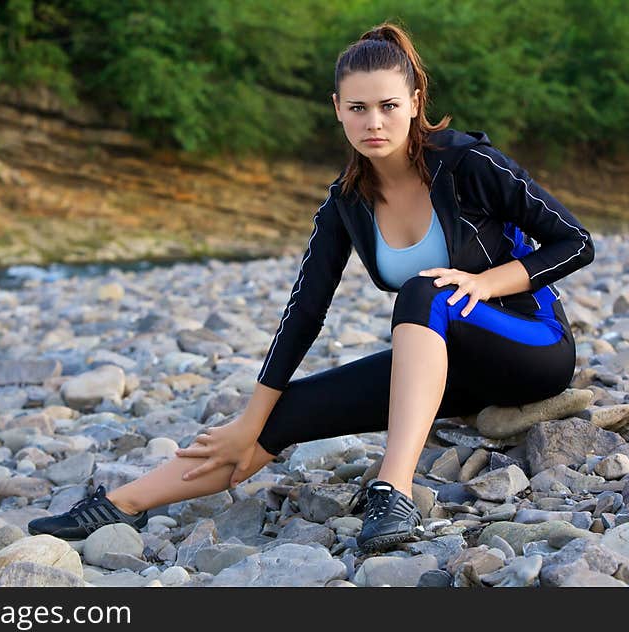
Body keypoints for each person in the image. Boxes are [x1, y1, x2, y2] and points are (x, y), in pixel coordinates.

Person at [29, 21, 595, 553]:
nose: (374, 122)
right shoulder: (346, 202)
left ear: (416, 103)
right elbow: (304, 311)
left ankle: (392, 494)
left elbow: (574, 241)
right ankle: (120, 504)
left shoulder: (471, 164)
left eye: (389, 106)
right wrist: (249, 420)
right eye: (358, 108)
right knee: (281, 416)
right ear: (337, 111)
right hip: (443, 371)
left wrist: (484, 281)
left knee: (422, 293)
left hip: (531, 348)